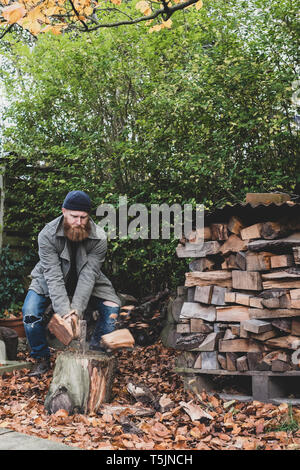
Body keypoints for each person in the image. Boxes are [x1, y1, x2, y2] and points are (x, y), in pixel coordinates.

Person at [22, 190, 121, 376]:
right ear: (63, 211)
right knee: (29, 314)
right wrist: (66, 314)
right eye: (74, 216)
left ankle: (94, 359)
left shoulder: (99, 237)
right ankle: (41, 357)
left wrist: (75, 312)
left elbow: (89, 275)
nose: (78, 222)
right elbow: (53, 276)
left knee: (113, 308)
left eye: (83, 217)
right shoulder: (47, 235)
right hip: (49, 278)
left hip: (90, 280)